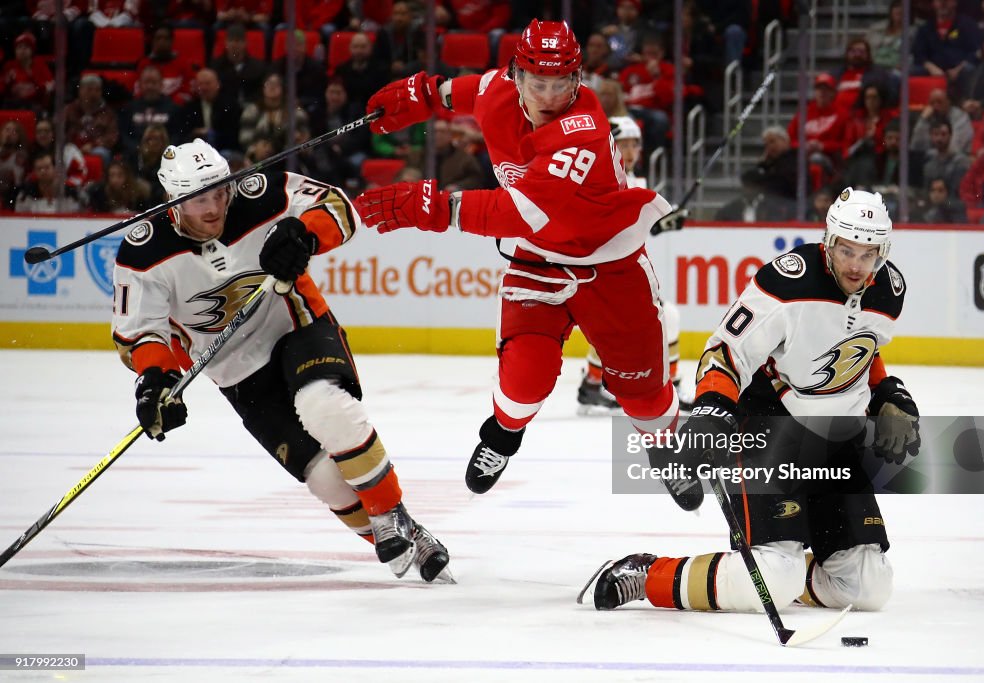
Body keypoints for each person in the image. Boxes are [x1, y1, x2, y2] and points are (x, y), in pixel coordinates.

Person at [354, 20, 678, 495]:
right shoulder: (497, 88)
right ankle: (502, 436)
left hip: (610, 263)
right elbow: (459, 91)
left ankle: (663, 445)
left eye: (560, 83)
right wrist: (421, 95)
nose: (548, 95)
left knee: (645, 399)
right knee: (524, 379)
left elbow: (520, 213)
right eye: (537, 82)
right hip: (539, 259)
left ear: (577, 80)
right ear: (516, 75)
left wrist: (433, 209)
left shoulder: (582, 131)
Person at [111, 139, 451, 583]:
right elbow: (139, 334)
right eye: (198, 200)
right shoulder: (143, 252)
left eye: (219, 192)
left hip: (296, 324)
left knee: (324, 406)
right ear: (173, 200)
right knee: (324, 479)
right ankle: (406, 532)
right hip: (234, 371)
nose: (214, 208)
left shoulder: (259, 195)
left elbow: (339, 207)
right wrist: (155, 382)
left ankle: (389, 514)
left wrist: (306, 233)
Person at [583, 188, 918, 617]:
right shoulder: (786, 282)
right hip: (767, 425)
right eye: (846, 249)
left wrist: (888, 394)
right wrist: (711, 409)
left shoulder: (889, 291)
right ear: (828, 239)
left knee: (867, 586)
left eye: (868, 253)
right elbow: (725, 352)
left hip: (832, 439)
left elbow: (857, 350)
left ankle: (786, 573)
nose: (856, 264)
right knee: (775, 577)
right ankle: (649, 575)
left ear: (883, 252)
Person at [576, 115, 683, 415]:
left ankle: (594, 384)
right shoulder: (601, 178)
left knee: (654, 320)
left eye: (635, 143)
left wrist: (662, 222)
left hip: (621, 269)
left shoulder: (635, 179)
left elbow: (634, 223)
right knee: (658, 319)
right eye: (623, 143)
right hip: (603, 270)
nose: (631, 150)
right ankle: (665, 384)